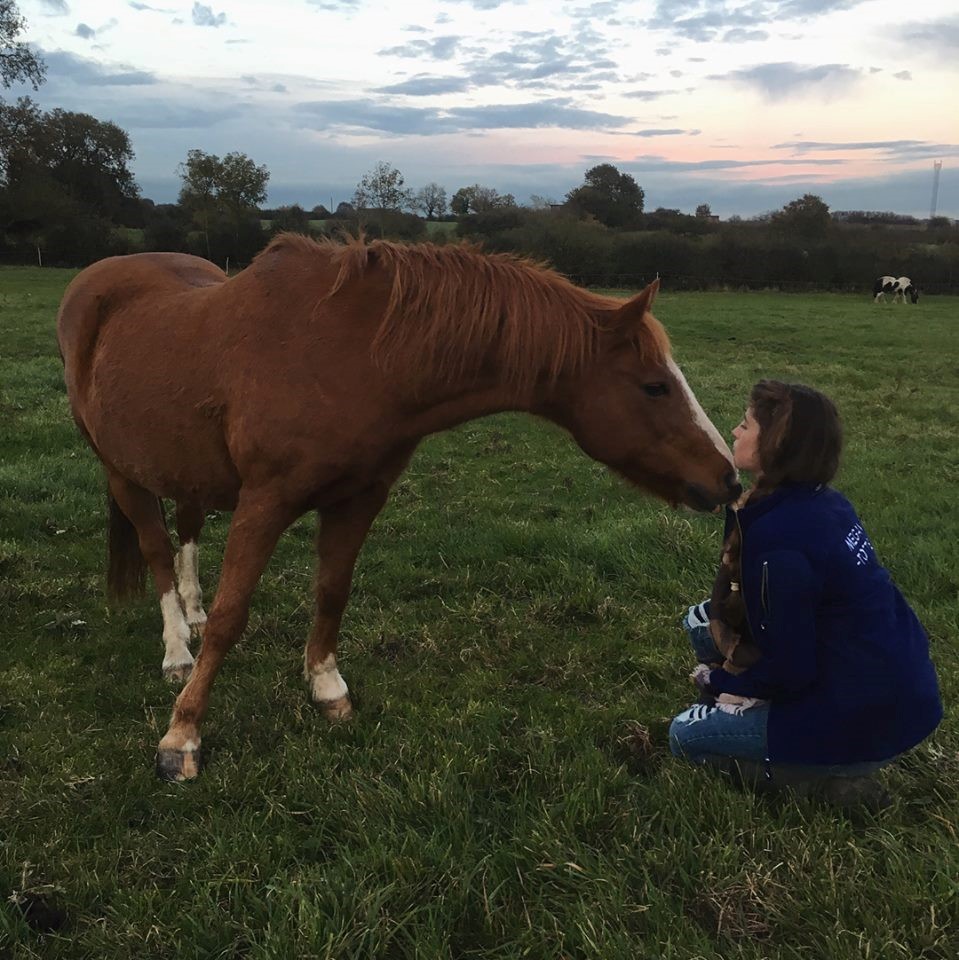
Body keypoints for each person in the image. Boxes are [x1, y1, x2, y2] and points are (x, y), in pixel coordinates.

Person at [668, 380, 942, 804]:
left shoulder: (782, 544)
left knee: (685, 736)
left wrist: (719, 679)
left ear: (776, 445)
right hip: (896, 693)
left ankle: (827, 784)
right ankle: (746, 707)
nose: (735, 432)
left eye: (745, 425)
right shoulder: (822, 502)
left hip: (859, 715)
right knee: (701, 621)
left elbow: (792, 670)